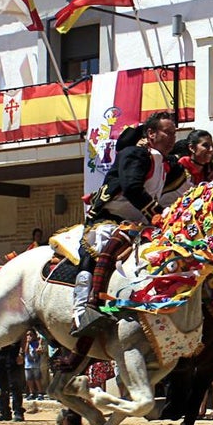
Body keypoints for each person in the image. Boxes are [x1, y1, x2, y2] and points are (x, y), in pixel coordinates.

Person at [71, 111, 179, 338]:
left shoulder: (164, 163)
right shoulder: (134, 154)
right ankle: (83, 309)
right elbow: (132, 188)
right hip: (110, 219)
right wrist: (158, 213)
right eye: (167, 132)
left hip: (140, 224)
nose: (173, 138)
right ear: (151, 133)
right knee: (99, 248)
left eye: (174, 133)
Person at [23, 330, 45, 401]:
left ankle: (40, 393)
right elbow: (25, 351)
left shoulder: (37, 343)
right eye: (27, 335)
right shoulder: (26, 344)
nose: (29, 336)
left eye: (31, 335)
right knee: (29, 379)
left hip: (36, 364)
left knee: (37, 379)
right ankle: (32, 392)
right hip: (28, 365)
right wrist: (27, 343)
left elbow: (39, 351)